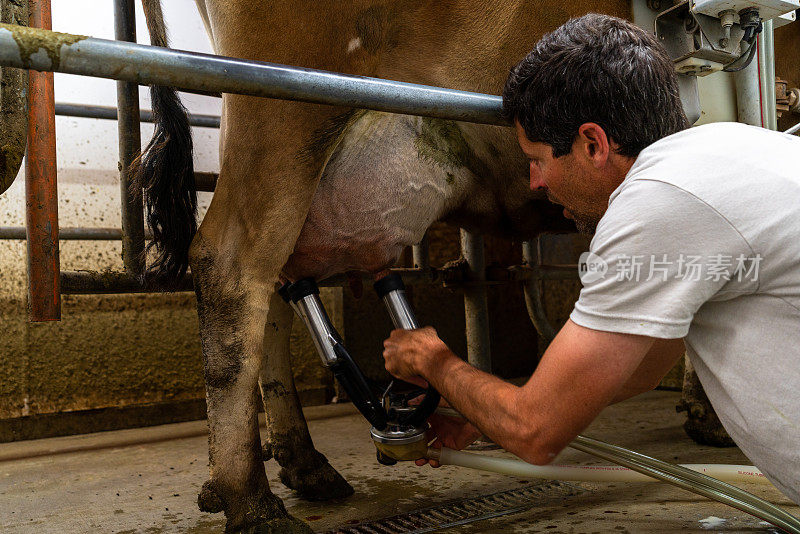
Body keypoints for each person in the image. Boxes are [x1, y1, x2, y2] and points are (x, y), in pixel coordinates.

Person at [381, 13, 800, 504]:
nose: (536, 182)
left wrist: (433, 361)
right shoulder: (726, 151)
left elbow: (535, 431)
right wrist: (484, 414)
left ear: (593, 144)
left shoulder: (656, 203)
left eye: (538, 159)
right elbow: (638, 369)